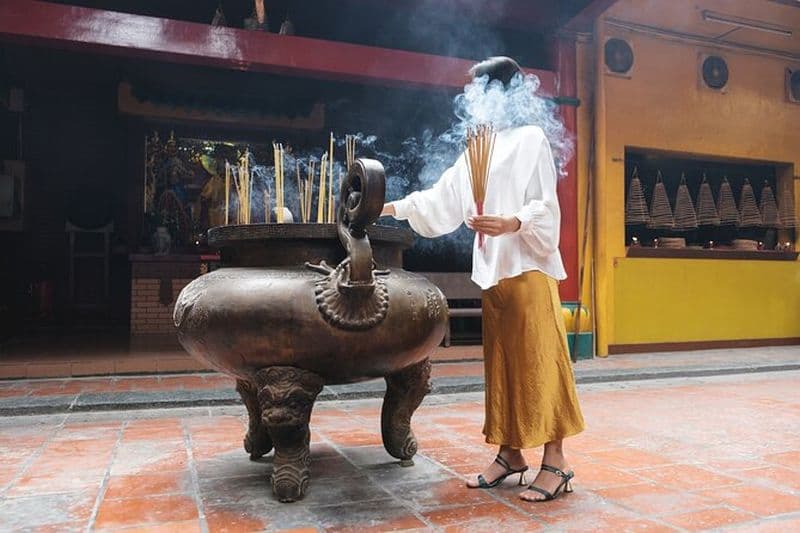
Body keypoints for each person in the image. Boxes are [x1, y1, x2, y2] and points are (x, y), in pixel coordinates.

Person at [381, 56, 585, 502]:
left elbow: (546, 207)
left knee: (540, 363)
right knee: (505, 367)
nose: (471, 98)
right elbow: (443, 199)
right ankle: (510, 455)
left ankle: (557, 461)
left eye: (478, 89)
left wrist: (514, 222)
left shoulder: (531, 139)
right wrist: (392, 207)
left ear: (502, 92)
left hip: (528, 269)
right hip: (493, 274)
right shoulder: (479, 145)